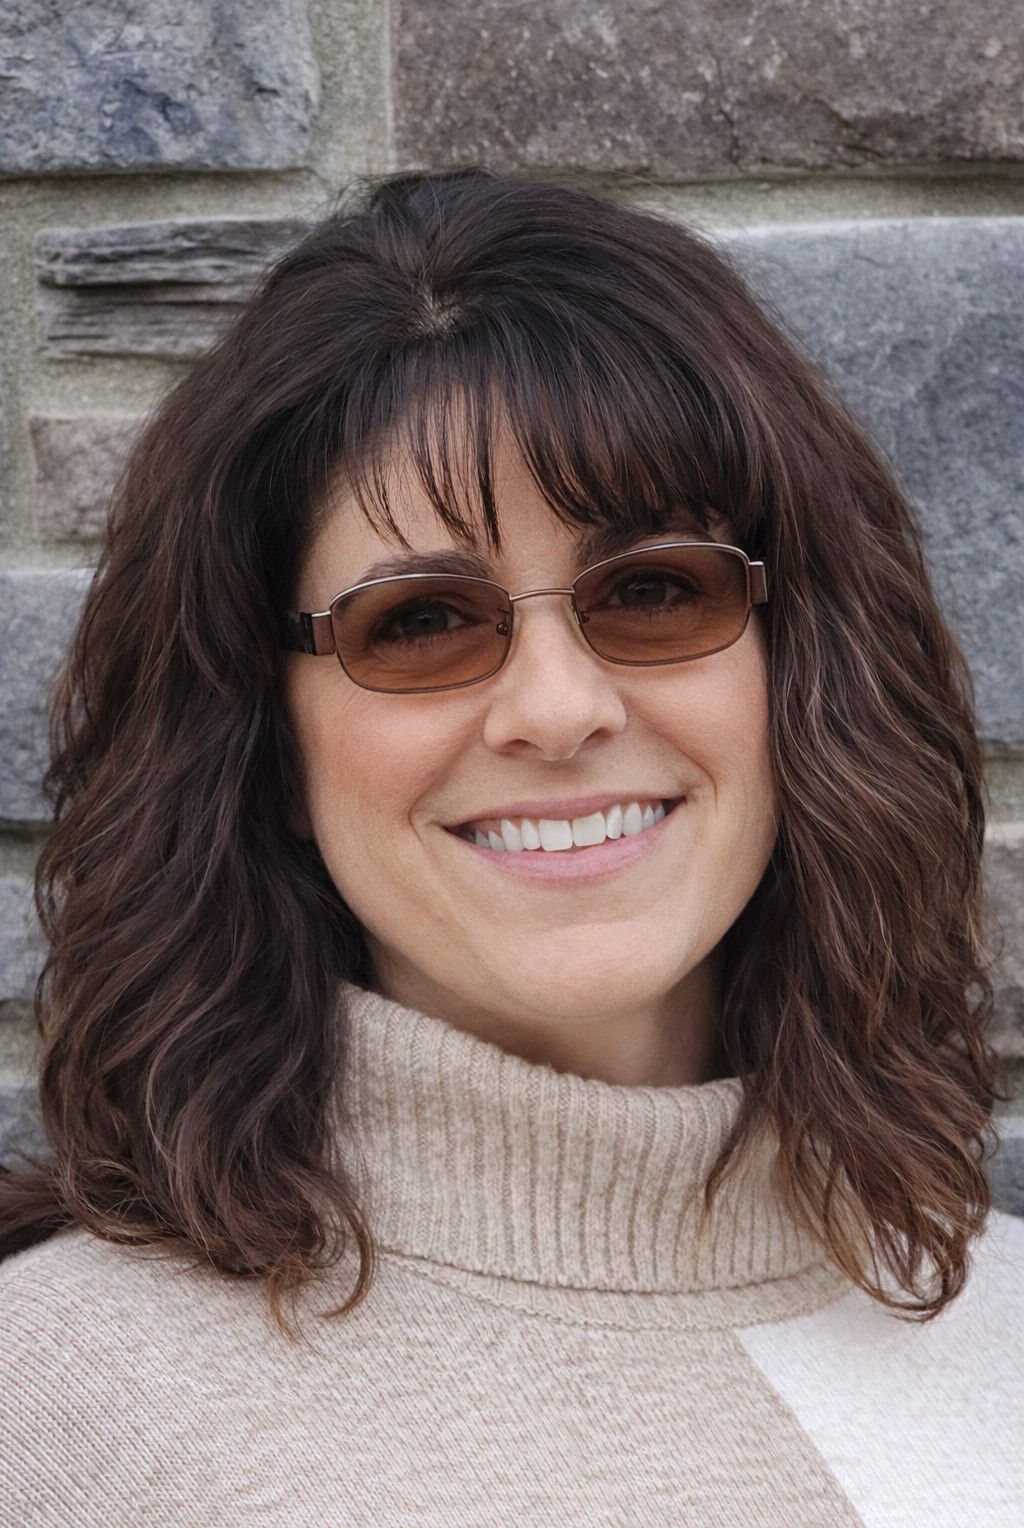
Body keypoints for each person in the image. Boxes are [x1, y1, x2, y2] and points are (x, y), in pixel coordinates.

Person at [1, 167, 1020, 1526]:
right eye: (420, 622)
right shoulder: (64, 1405)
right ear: (269, 745)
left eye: (656, 591)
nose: (558, 708)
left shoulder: (994, 1325)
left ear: (796, 669)